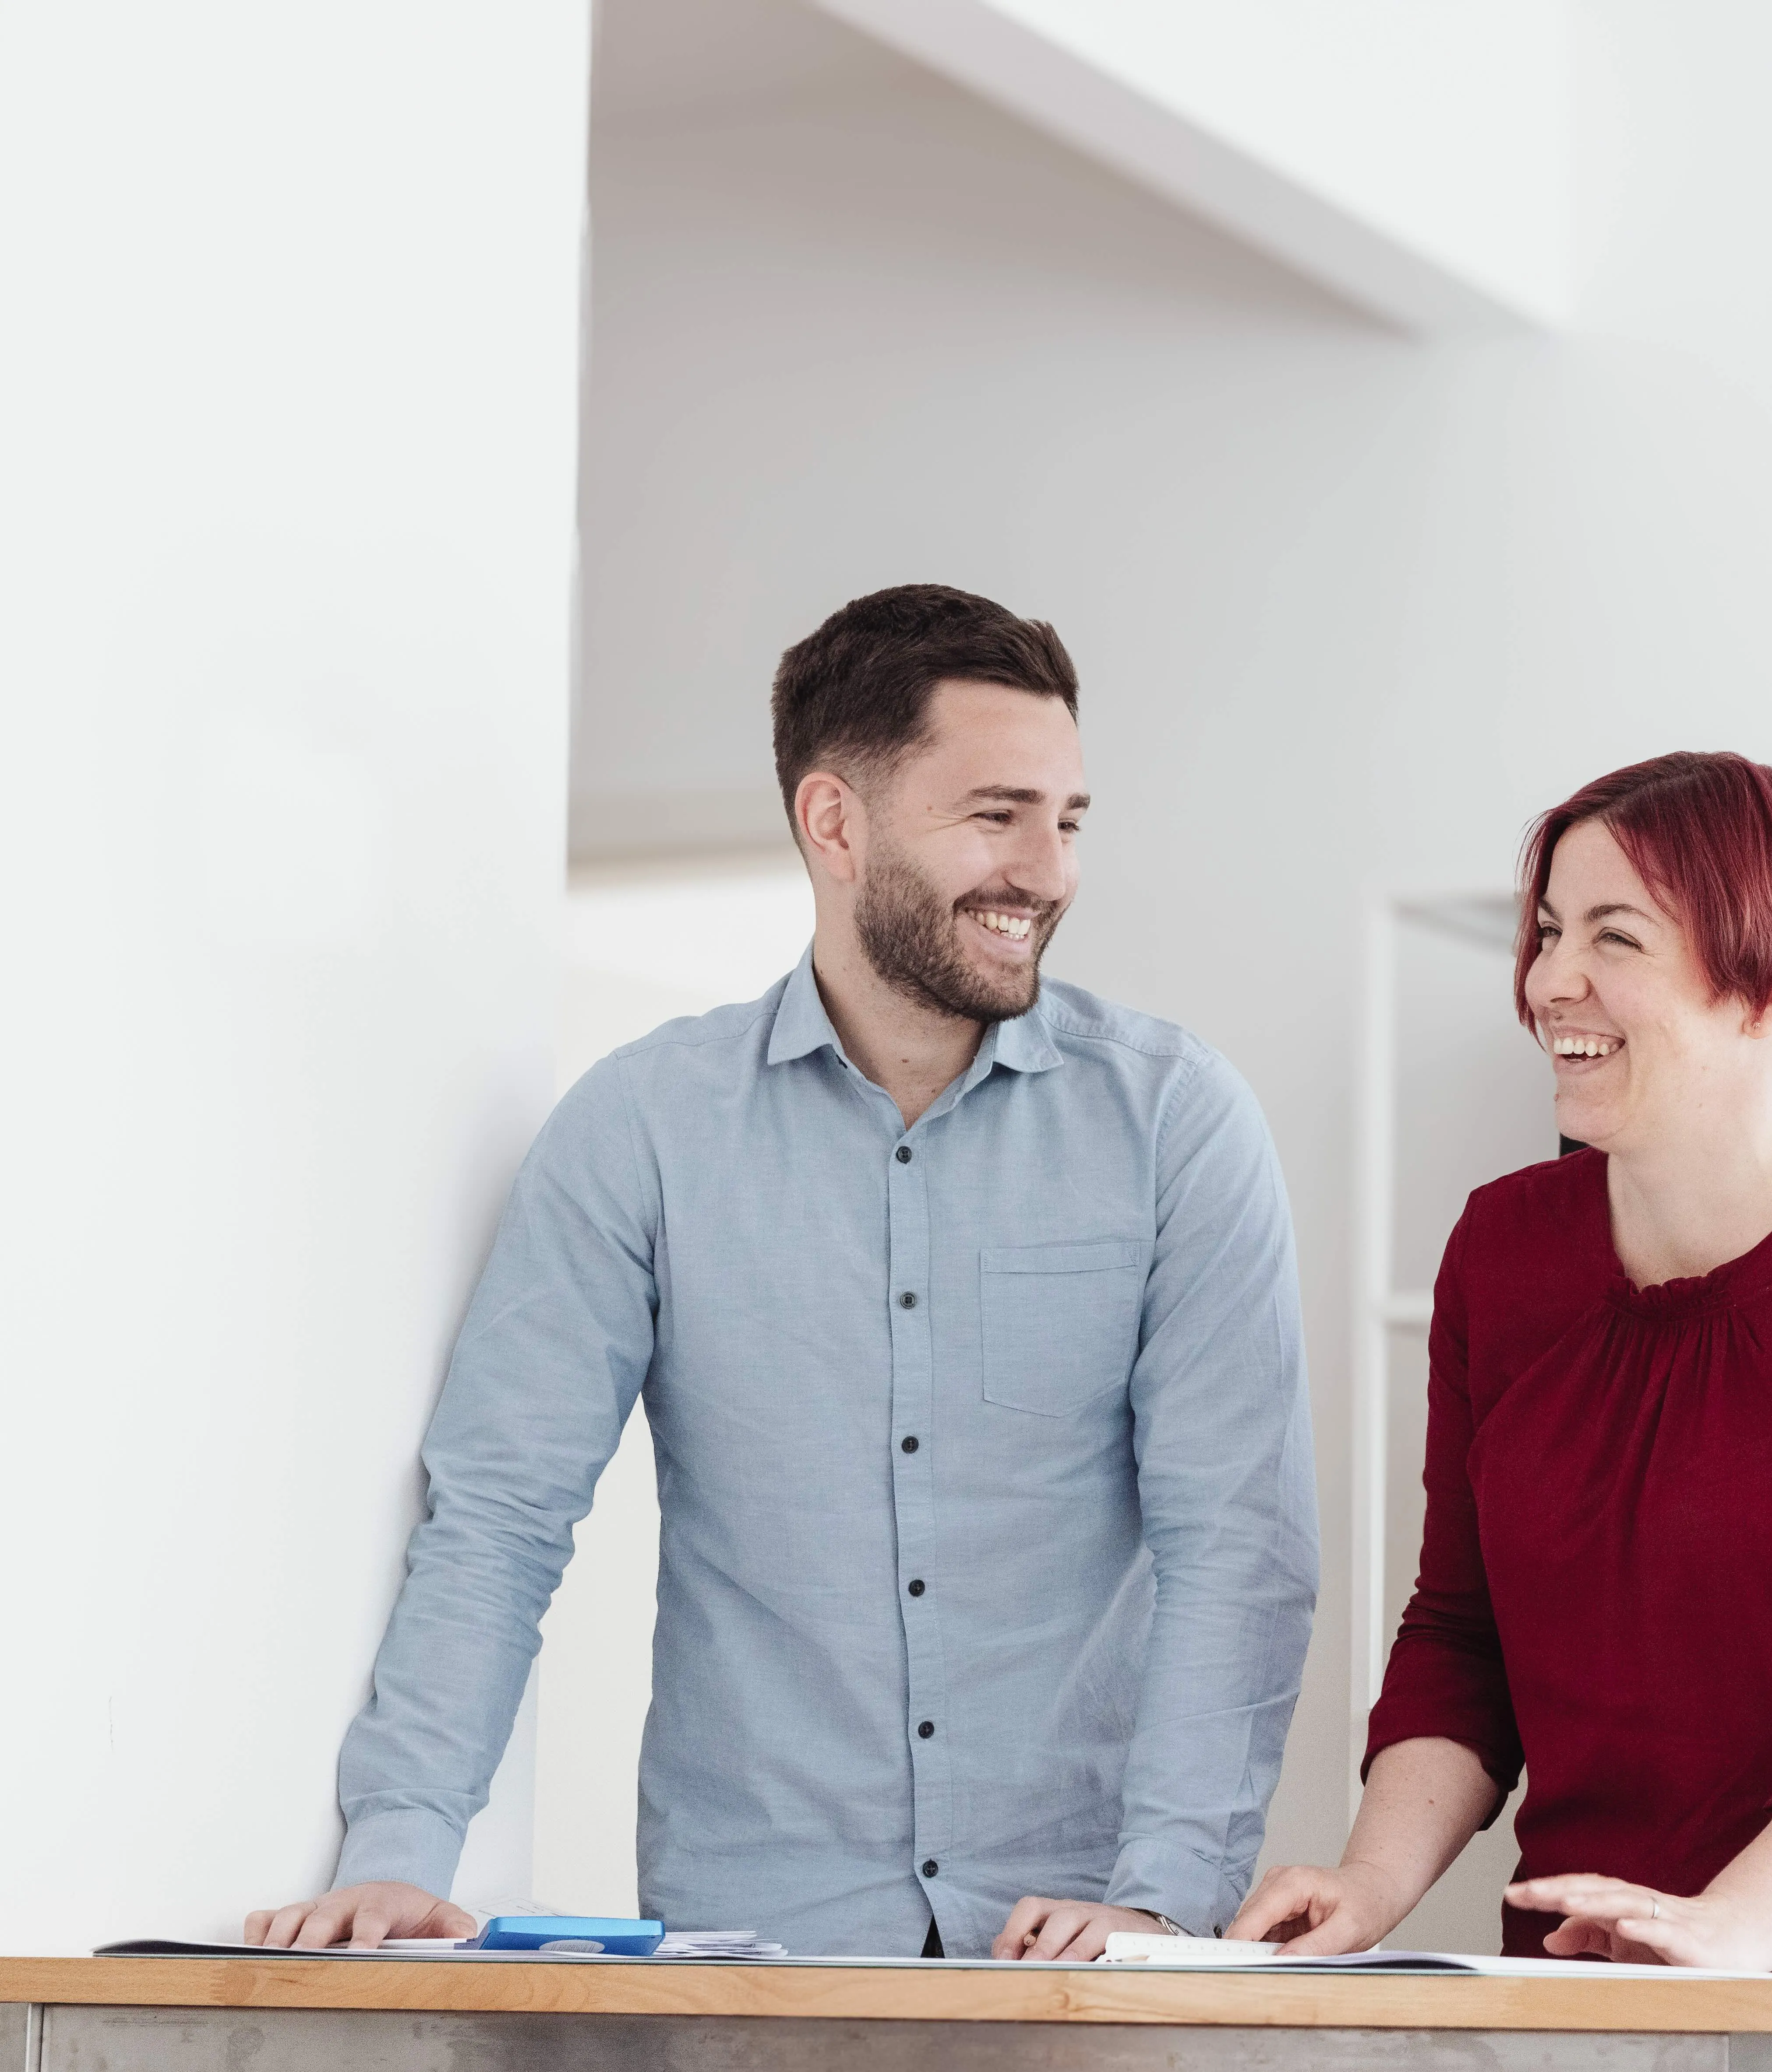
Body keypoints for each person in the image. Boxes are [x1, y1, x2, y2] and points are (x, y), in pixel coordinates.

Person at [244, 585, 1316, 1960]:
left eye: (1068, 820)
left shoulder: (1174, 1118)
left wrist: (1165, 1895)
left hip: (1088, 1950)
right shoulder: (641, 1127)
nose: (1046, 872)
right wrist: (400, 1848)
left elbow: (1240, 1541)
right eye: (996, 816)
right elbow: (502, 1513)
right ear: (834, 822)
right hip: (753, 1944)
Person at [1232, 751, 1772, 1981]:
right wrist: (1368, 1885)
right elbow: (1463, 1636)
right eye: (1550, 929)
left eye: (1614, 937)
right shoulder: (1504, 1250)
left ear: (1768, 979)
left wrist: (1730, 1928)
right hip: (1595, 1971)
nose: (1548, 981)